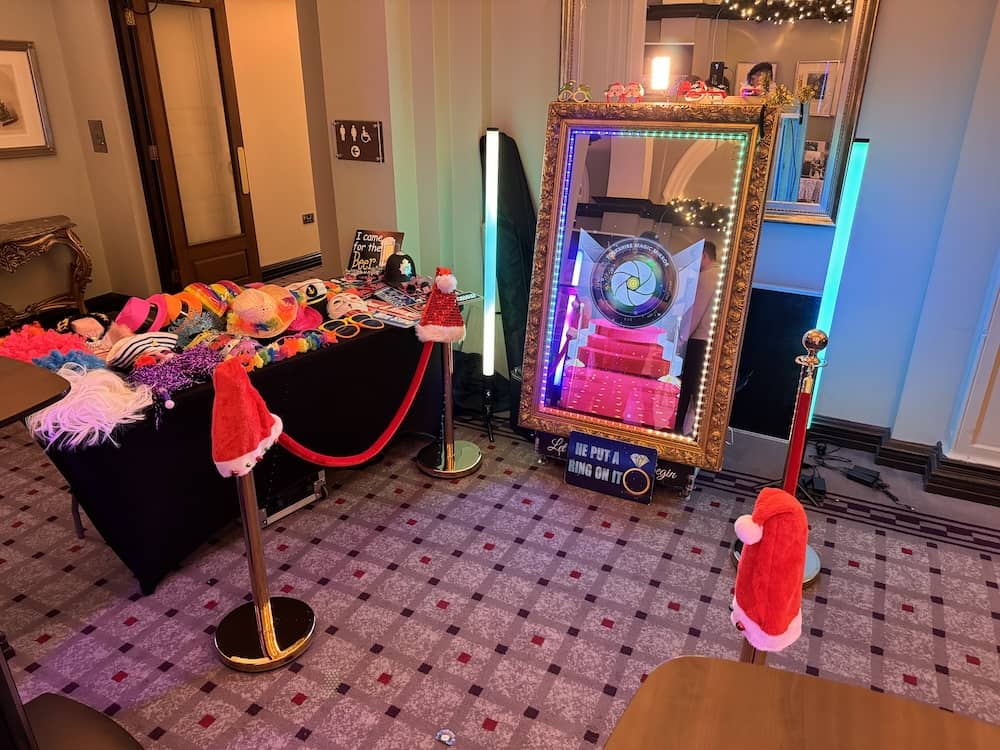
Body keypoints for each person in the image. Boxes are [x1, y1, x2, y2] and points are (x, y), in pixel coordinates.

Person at [675, 240, 720, 434]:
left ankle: (679, 431)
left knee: (689, 387)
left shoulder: (707, 277)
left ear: (704, 256)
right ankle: (692, 431)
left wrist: (681, 338)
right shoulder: (721, 276)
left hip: (699, 338)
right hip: (710, 339)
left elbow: (696, 310)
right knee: (699, 389)